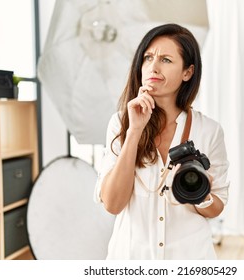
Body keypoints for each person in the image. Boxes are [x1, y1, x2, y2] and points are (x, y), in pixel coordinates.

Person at [94, 23, 229, 260]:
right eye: (147, 57)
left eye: (166, 60)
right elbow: (113, 204)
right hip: (131, 258)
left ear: (187, 72)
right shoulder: (120, 124)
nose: (153, 67)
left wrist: (201, 191)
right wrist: (134, 131)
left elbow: (216, 208)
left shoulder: (209, 131)